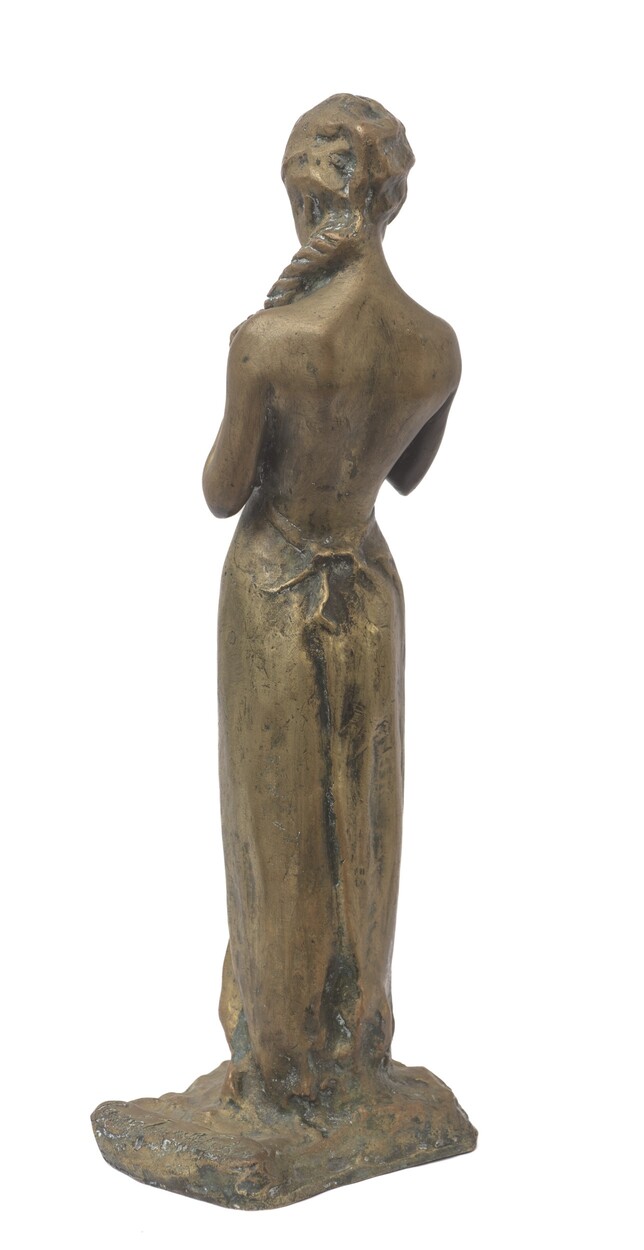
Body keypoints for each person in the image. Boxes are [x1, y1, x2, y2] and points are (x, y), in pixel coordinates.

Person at [202, 93, 461, 1107]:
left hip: (275, 585)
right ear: (388, 203)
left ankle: (281, 1058)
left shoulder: (266, 342)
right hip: (367, 585)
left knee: (276, 831)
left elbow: (223, 490)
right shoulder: (435, 345)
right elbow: (409, 477)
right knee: (361, 817)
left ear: (309, 203)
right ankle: (353, 1042)